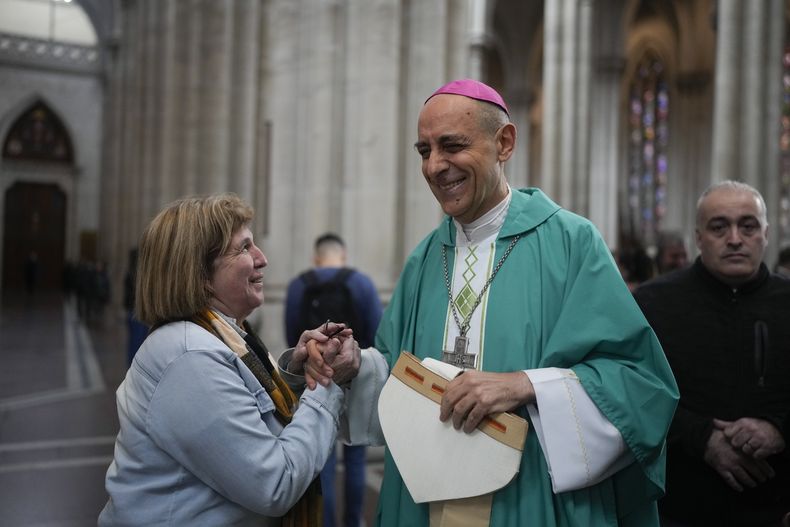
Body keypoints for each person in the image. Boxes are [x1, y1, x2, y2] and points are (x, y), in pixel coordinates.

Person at [287, 79, 679, 526]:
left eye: (452, 145)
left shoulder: (571, 243)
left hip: (527, 495)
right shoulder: (424, 258)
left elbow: (638, 382)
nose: (435, 166)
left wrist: (523, 385)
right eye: (424, 150)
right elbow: (401, 375)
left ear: (504, 143)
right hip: (425, 494)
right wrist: (355, 368)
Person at [99, 193, 360, 526]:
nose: (262, 258)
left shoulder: (223, 333)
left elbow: (257, 417)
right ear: (200, 274)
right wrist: (326, 383)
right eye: (244, 248)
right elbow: (274, 484)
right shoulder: (188, 357)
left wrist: (297, 371)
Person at [634, 181, 790, 526]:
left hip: (775, 507)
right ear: (698, 237)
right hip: (678, 505)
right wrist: (701, 437)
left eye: (748, 226)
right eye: (719, 227)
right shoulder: (653, 303)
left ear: (766, 233)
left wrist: (779, 430)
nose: (735, 238)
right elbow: (632, 392)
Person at [285, 233, 383, 527]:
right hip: (355, 380)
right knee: (355, 458)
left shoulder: (297, 286)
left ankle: (324, 522)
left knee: (321, 460)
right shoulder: (361, 283)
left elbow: (293, 337)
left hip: (314, 382)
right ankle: (353, 522)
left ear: (317, 258)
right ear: (343, 255)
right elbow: (378, 334)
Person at [123, 248, 148, 365]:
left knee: (135, 341)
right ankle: (134, 366)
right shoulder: (136, 276)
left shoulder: (130, 274)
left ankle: (133, 366)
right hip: (137, 312)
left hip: (133, 312)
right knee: (136, 342)